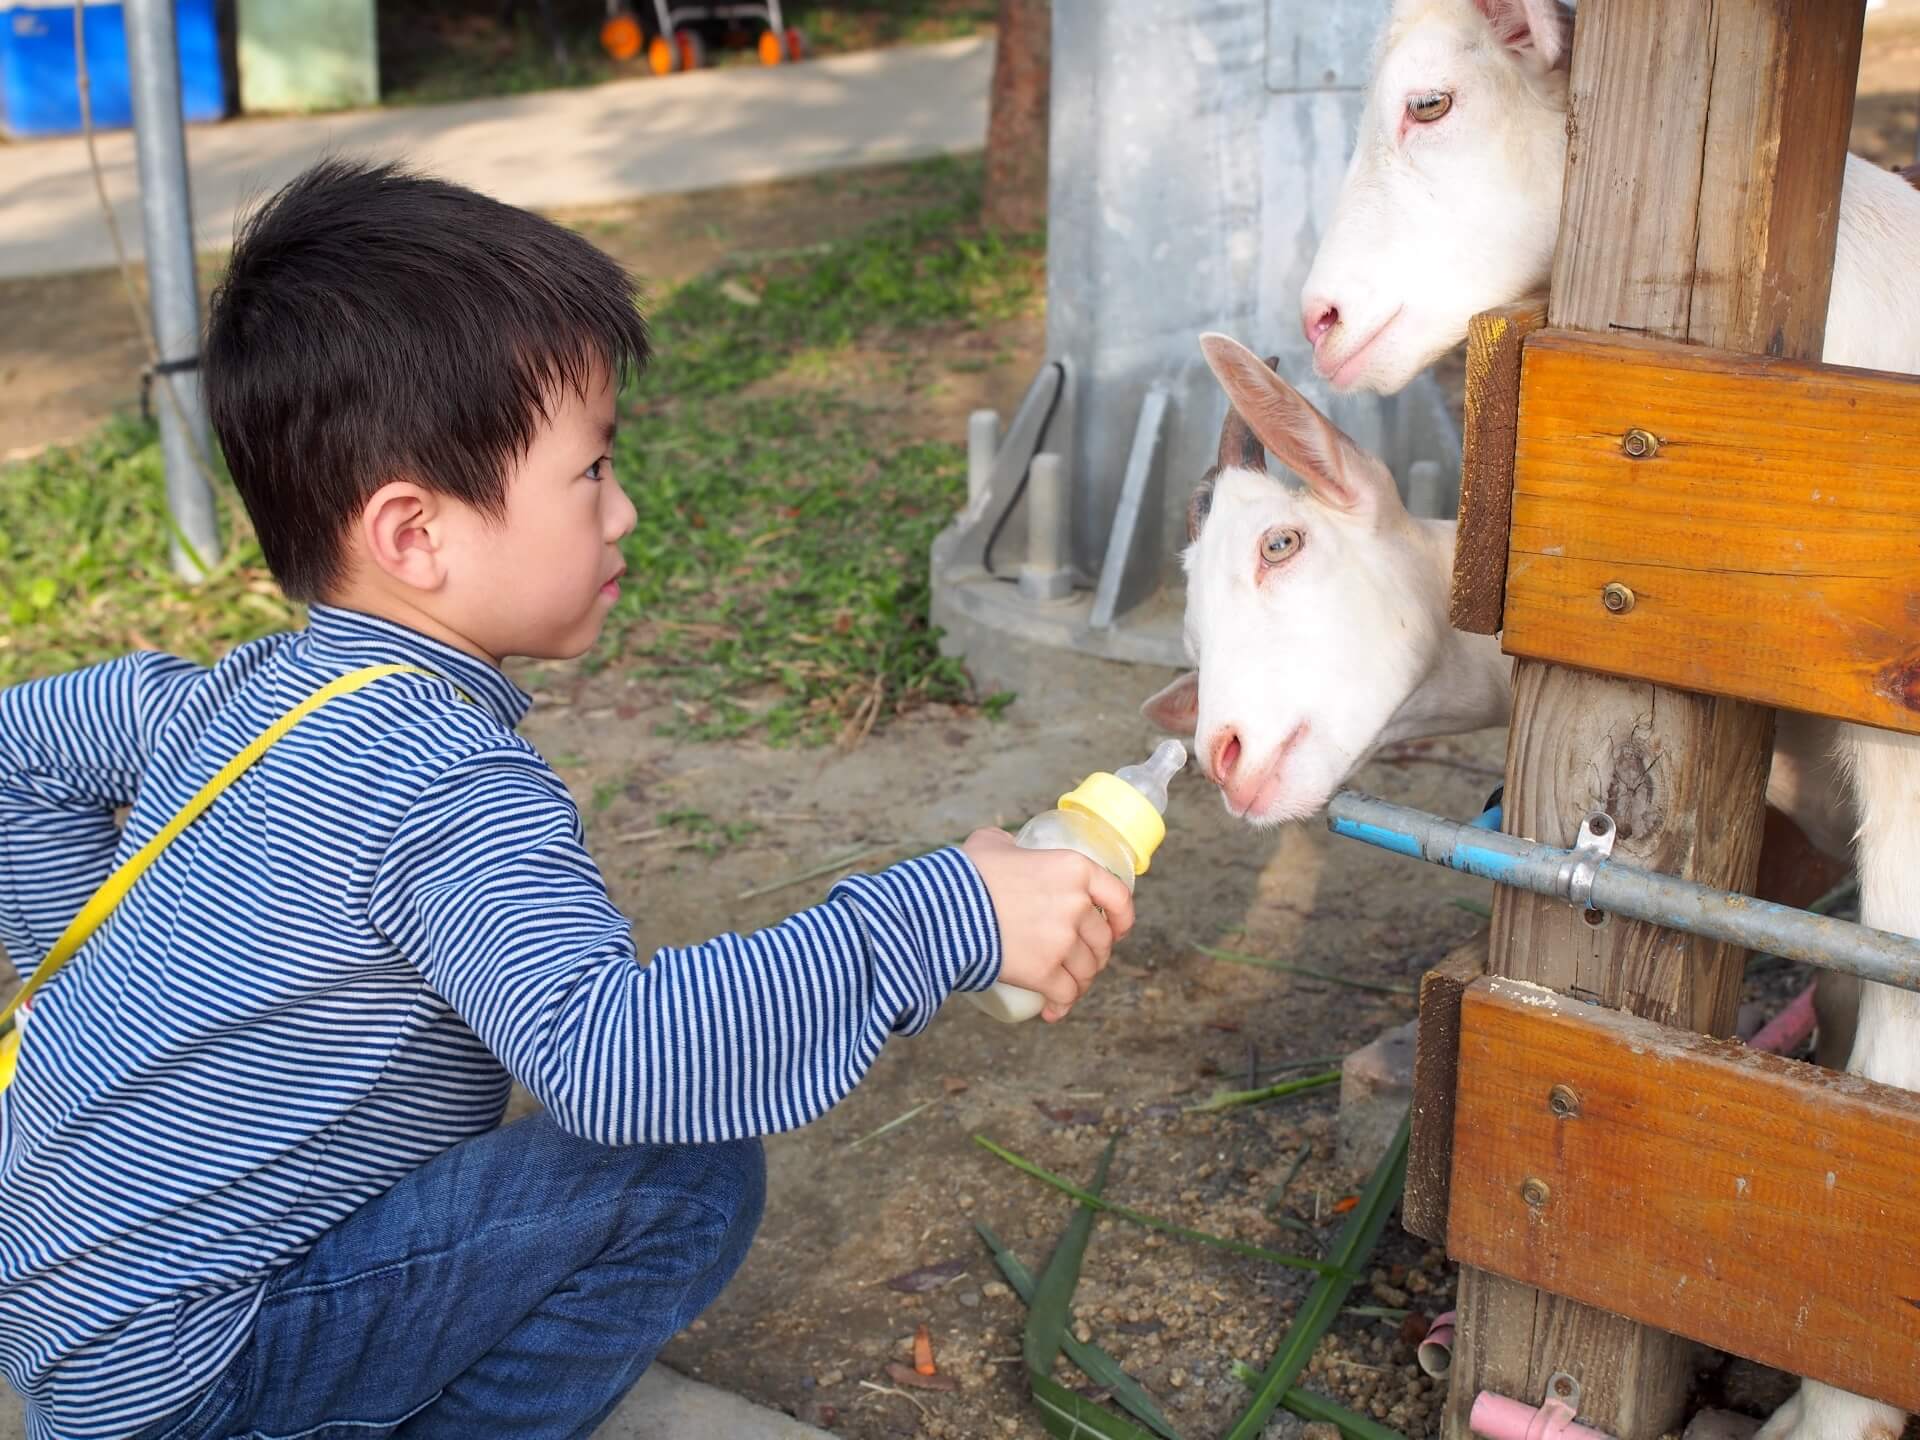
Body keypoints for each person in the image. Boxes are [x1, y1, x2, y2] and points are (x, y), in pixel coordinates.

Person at [0, 158, 1132, 1440]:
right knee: (681, 1175)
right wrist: (944, 918)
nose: (625, 509)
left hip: (69, 1327)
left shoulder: (230, 697)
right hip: (192, 1384)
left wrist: (86, 1023)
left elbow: (16, 750)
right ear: (415, 535)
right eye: (591, 470)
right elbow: (613, 1061)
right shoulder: (444, 777)